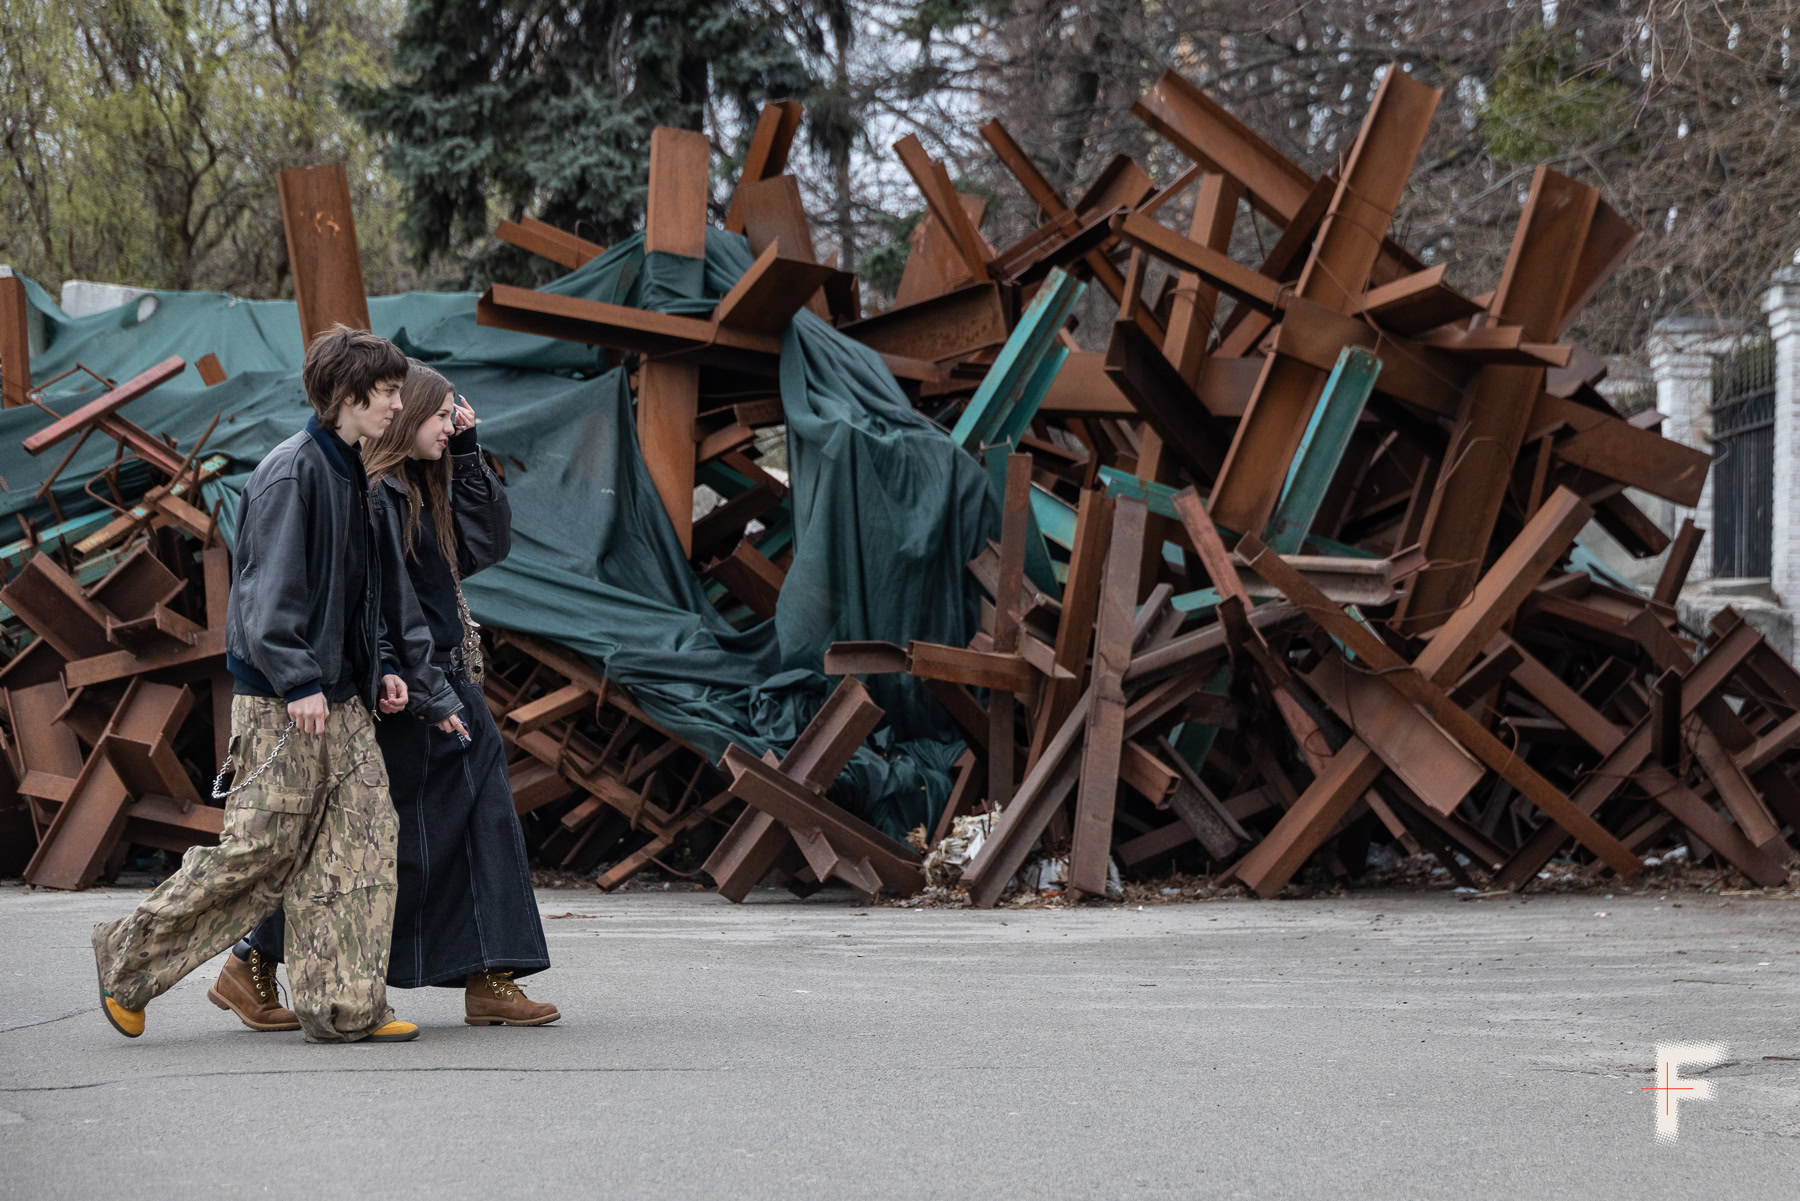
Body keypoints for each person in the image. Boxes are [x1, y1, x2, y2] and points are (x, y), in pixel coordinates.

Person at [91, 325, 421, 1044]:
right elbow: (265, 597)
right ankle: (128, 961)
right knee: (260, 852)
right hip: (283, 700)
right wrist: (299, 680)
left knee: (362, 840)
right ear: (350, 394)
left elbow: (358, 598)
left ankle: (344, 1007)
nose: (399, 404)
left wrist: (384, 667)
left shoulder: (355, 472)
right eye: (389, 392)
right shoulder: (291, 473)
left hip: (342, 698)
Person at [215, 361, 558, 1030]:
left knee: (476, 819)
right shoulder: (371, 491)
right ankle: (254, 955)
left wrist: (467, 454)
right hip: (406, 683)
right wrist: (398, 675)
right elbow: (367, 602)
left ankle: (490, 973)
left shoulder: (422, 484)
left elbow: (484, 544)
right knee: (363, 839)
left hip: (437, 675)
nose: (451, 424)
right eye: (441, 415)